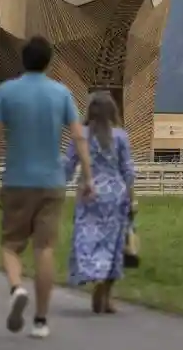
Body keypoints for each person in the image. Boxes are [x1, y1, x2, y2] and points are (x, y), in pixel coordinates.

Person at [0, 35, 94, 339]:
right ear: (49, 62)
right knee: (45, 249)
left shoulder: (6, 92)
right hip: (51, 182)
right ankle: (41, 321)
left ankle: (17, 288)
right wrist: (88, 177)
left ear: (23, 60)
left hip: (17, 182)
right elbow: (79, 136)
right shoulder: (62, 93)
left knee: (10, 245)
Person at [64, 90, 136, 314]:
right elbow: (128, 170)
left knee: (88, 239)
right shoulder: (120, 137)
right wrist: (132, 199)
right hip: (115, 194)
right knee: (114, 244)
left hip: (89, 194)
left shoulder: (81, 135)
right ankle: (106, 292)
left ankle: (94, 275)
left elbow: (68, 165)